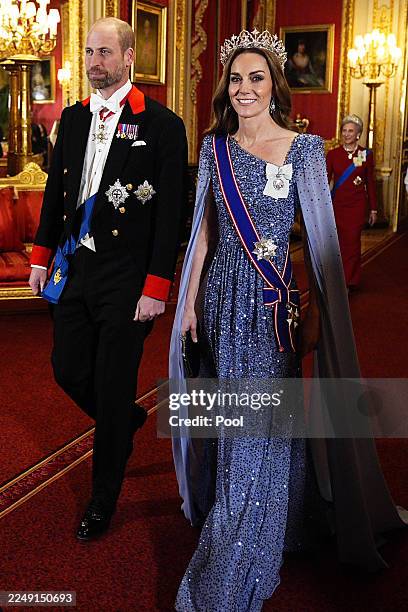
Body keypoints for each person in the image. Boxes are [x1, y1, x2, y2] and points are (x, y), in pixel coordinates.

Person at [169, 29, 406, 611]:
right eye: (236, 79)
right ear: (226, 88)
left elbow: (323, 240)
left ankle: (241, 543)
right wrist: (189, 302)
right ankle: (288, 515)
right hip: (221, 301)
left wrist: (327, 312)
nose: (245, 88)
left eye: (256, 77)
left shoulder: (301, 150)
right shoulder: (213, 147)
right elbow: (201, 234)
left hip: (272, 304)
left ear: (275, 84)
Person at [29, 17, 187, 540]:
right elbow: (58, 194)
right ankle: (124, 420)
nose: (95, 61)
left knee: (114, 380)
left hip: (127, 277)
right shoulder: (72, 121)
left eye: (104, 53)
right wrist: (39, 257)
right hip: (75, 268)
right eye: (90, 52)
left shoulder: (162, 125)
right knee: (66, 368)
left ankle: (102, 500)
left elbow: (171, 217)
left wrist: (156, 288)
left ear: (128, 58)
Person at [326, 114, 377, 290]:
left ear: (358, 134)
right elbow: (326, 182)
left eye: (351, 131)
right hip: (337, 206)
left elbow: (370, 182)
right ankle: (336, 279)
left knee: (352, 243)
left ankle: (349, 281)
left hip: (356, 207)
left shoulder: (365, 155)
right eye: (344, 130)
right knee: (337, 244)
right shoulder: (333, 155)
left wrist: (373, 209)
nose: (346, 134)